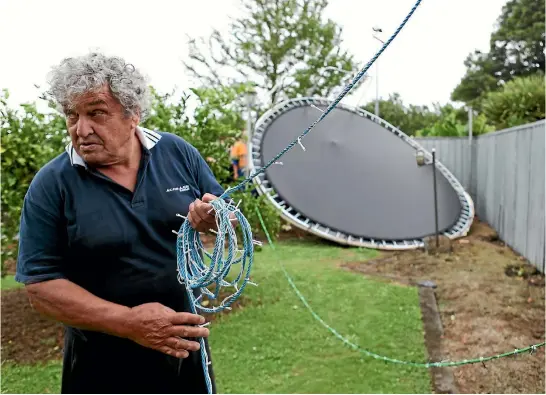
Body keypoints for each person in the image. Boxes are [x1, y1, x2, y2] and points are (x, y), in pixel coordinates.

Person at [15, 52, 231, 394]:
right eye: (72, 116)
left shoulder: (176, 152)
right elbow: (40, 286)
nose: (80, 129)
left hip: (184, 350)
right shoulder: (52, 184)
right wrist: (130, 323)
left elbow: (227, 217)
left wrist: (216, 219)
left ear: (133, 114)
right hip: (100, 363)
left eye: (96, 113)